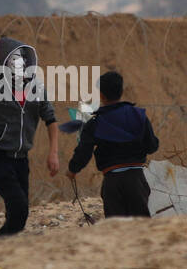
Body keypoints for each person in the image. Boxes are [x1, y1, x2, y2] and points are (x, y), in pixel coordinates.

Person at [0, 37, 59, 237]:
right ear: (4, 64)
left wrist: (53, 153)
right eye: (14, 62)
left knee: (18, 215)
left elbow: (51, 120)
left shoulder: (37, 89)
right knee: (19, 207)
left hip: (22, 159)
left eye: (22, 61)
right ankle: (0, 245)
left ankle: (2, 248)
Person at [66, 71, 159, 218]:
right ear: (121, 92)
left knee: (116, 232)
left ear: (101, 95)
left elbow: (84, 152)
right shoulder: (138, 115)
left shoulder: (95, 122)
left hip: (112, 182)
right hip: (136, 180)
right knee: (142, 228)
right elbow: (152, 146)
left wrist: (72, 170)